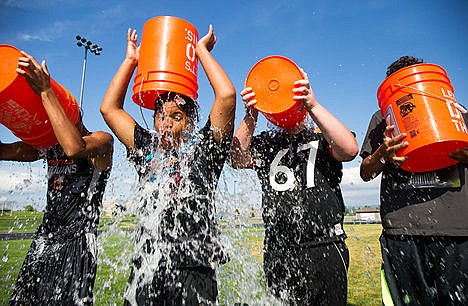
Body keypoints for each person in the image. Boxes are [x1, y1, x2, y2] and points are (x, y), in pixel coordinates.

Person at [100, 25, 236, 305]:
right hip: (148, 267)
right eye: (161, 116)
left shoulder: (205, 151)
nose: (166, 124)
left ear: (189, 122)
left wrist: (200, 52)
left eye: (176, 117)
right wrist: (130, 62)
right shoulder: (146, 150)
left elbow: (226, 96)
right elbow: (109, 109)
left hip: (194, 273)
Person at [230, 71, 358, 305]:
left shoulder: (321, 138)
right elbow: (236, 158)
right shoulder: (266, 143)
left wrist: (313, 104)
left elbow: (349, 149)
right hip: (279, 247)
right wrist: (251, 115)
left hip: (323, 245)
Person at [0, 51, 113, 305]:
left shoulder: (101, 141)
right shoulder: (47, 147)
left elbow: (75, 148)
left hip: (78, 243)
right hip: (46, 236)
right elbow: (5, 150)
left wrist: (46, 91)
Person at [360, 55, 468, 306]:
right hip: (402, 231)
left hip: (458, 230)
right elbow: (366, 172)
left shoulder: (457, 111)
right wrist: (383, 154)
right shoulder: (381, 119)